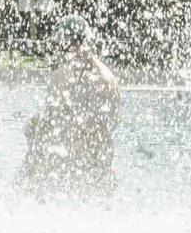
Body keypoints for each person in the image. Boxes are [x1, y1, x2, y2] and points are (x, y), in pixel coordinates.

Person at [17, 14, 120, 194]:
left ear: (74, 45)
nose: (58, 52)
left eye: (59, 47)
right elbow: (109, 126)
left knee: (29, 163)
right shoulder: (108, 78)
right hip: (101, 167)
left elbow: (50, 126)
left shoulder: (61, 78)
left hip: (71, 168)